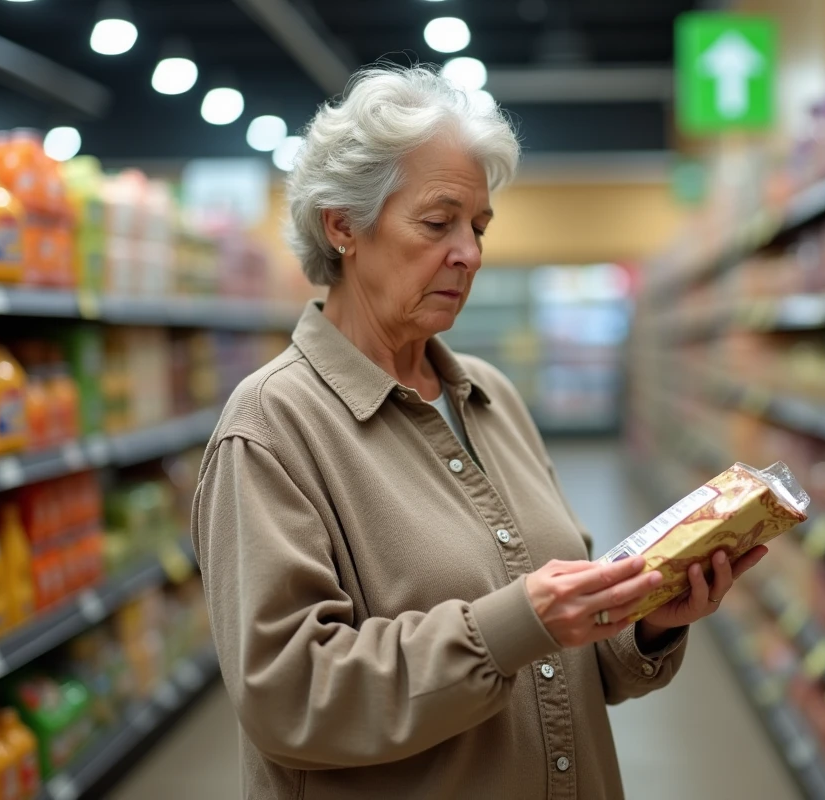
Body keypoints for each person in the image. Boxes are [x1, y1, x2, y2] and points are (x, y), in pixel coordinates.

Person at [191, 65, 768, 800]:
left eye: (479, 227)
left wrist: (649, 621)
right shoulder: (272, 428)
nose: (469, 252)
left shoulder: (489, 398)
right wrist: (508, 625)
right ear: (342, 226)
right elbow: (291, 699)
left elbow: (570, 648)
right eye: (438, 223)